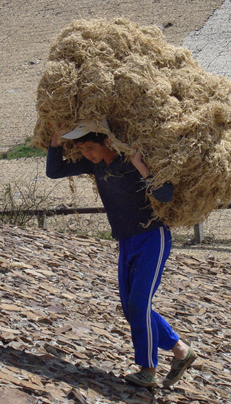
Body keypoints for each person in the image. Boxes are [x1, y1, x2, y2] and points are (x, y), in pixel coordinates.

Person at [46, 119, 197, 388]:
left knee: (139, 304)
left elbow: (164, 195)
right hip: (126, 241)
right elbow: (54, 171)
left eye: (90, 147)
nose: (87, 153)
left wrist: (141, 166)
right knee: (131, 308)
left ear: (107, 142)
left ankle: (147, 370)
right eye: (82, 149)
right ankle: (181, 351)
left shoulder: (129, 162)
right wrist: (55, 142)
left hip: (152, 237)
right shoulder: (93, 164)